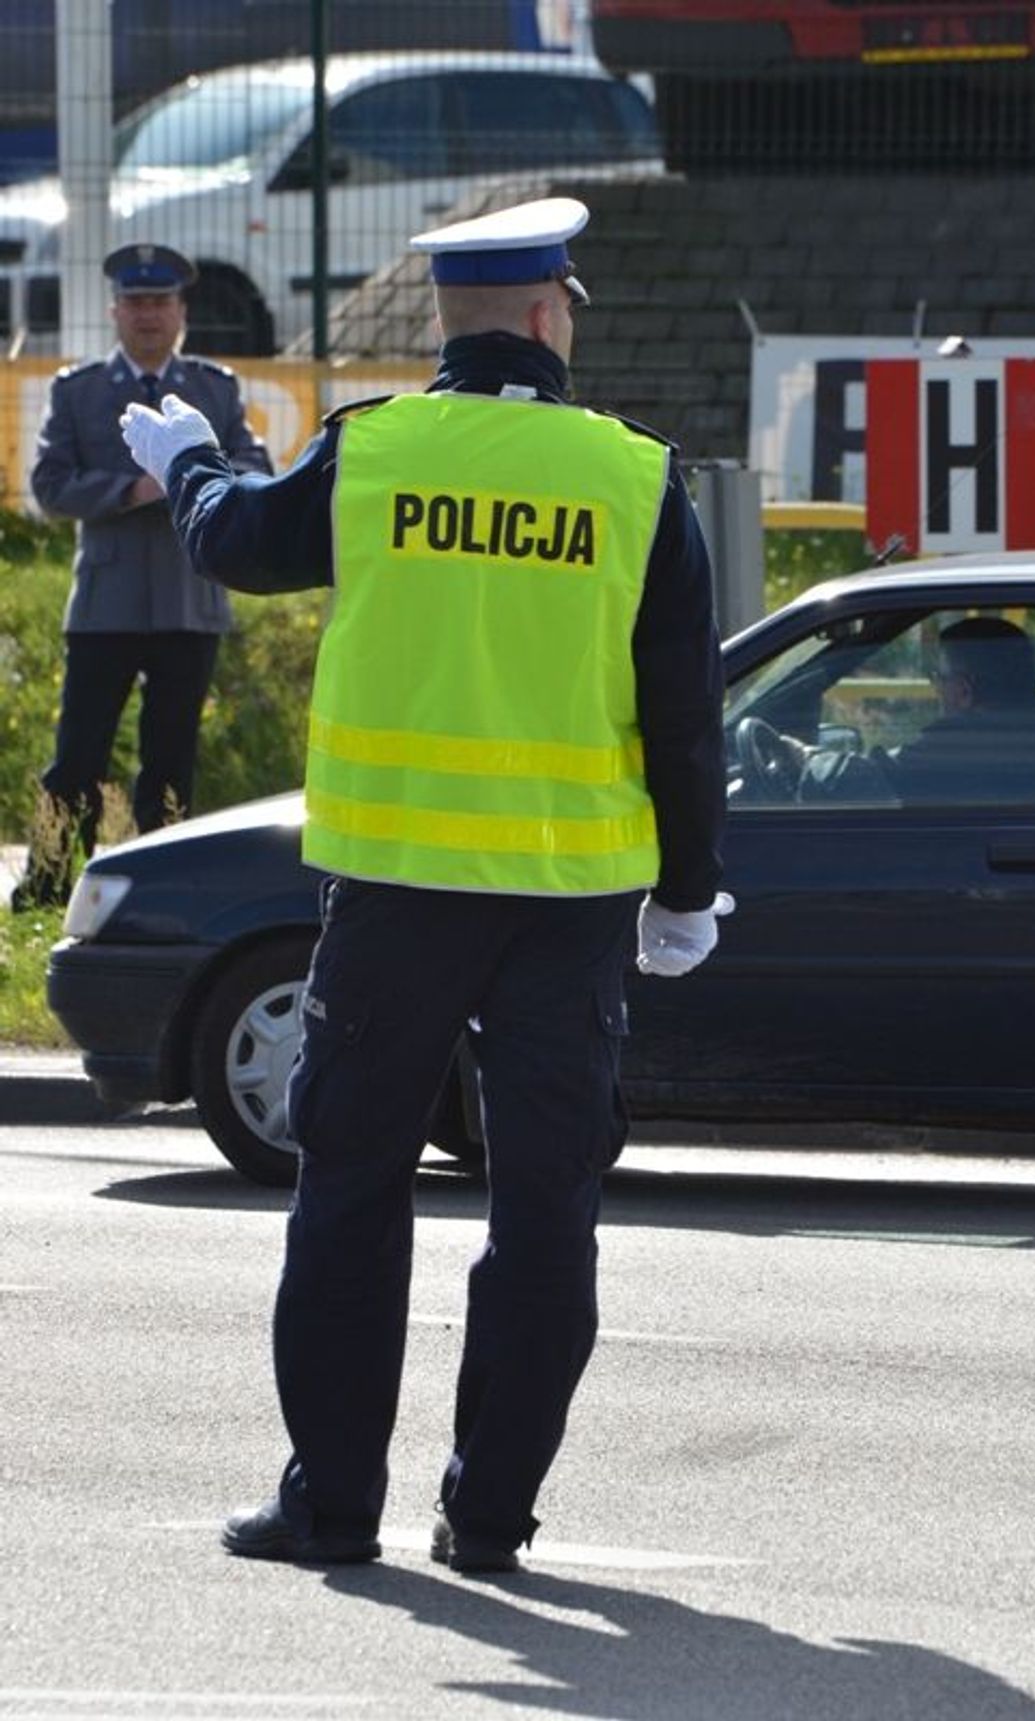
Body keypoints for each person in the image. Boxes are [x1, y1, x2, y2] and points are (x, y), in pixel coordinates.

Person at [120, 197, 729, 1573]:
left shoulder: (378, 450)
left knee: (351, 1188)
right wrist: (688, 890)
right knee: (545, 1208)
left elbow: (238, 541)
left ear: (451, 323)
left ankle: (333, 1507)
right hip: (570, 898)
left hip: (395, 892)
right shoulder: (633, 477)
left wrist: (193, 458)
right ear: (546, 316)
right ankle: (491, 1517)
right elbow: (684, 711)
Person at [10, 242, 272, 911]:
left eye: (161, 302)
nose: (149, 315)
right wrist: (133, 489)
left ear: (182, 311)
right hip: (106, 605)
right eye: (136, 303)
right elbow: (50, 484)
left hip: (190, 599)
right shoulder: (79, 390)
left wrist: (193, 476)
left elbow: (254, 465)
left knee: (171, 760)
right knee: (78, 755)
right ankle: (49, 887)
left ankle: (163, 897)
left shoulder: (213, 388)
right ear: (115, 311)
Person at [752, 616, 1035, 807]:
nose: (936, 688)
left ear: (964, 691)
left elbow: (869, 778)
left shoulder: (966, 746)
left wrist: (806, 757)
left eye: (939, 678)